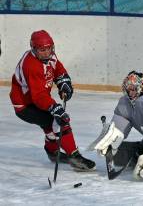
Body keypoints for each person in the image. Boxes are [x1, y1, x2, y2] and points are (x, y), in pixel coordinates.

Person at [9, 30, 96, 171]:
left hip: (35, 99)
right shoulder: (31, 66)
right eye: (42, 50)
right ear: (34, 48)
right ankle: (74, 156)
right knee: (59, 121)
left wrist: (64, 82)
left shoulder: (49, 55)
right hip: (25, 106)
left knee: (50, 125)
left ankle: (52, 152)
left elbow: (57, 69)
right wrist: (54, 107)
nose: (46, 52)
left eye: (49, 48)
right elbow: (38, 97)